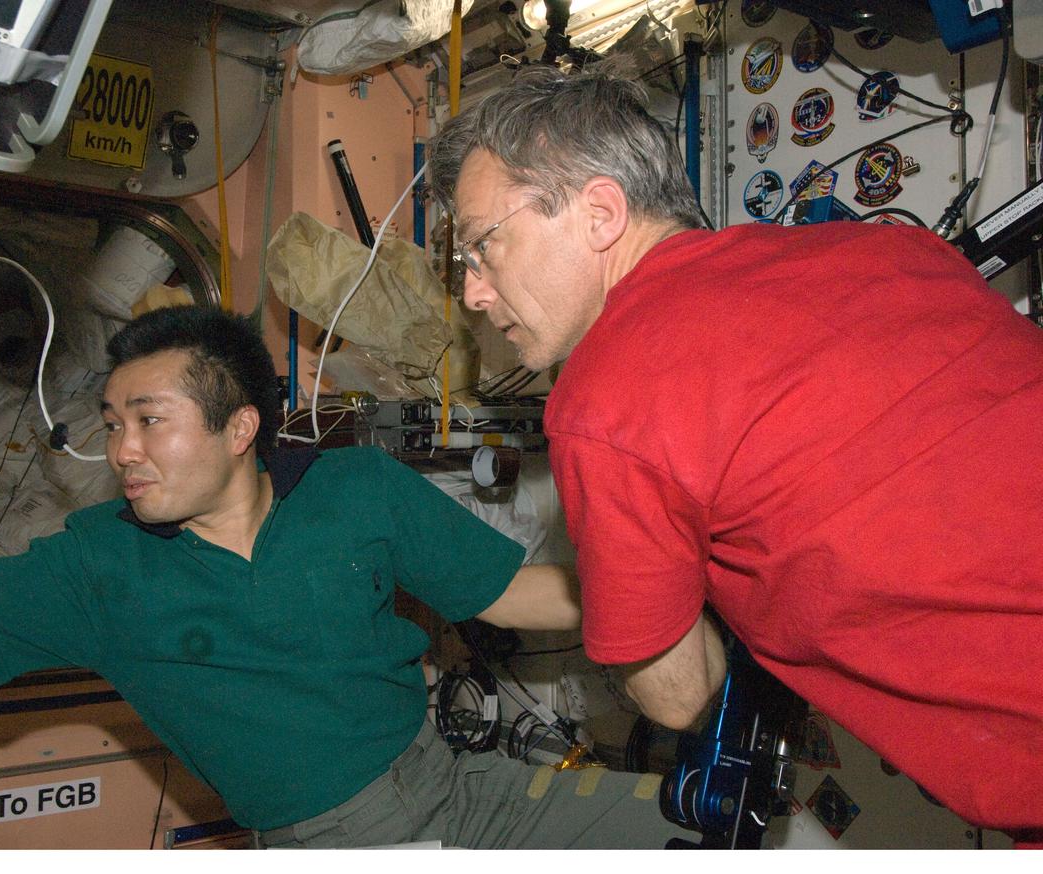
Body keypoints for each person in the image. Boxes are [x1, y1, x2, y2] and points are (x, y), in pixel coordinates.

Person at [0, 304, 694, 849]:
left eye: (148, 420)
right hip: (329, 843)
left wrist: (694, 576)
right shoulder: (99, 564)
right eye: (112, 422)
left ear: (239, 428)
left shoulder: (359, 491)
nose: (120, 451)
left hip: (463, 789)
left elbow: (522, 596)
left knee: (701, 833)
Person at [428, 62, 1043, 842]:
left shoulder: (608, 395)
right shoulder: (883, 252)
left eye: (483, 248)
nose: (475, 293)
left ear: (600, 212)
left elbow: (680, 697)